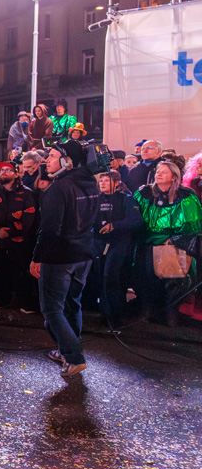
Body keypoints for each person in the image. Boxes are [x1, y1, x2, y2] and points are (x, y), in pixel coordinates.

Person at [30, 140, 100, 378]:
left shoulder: (58, 189)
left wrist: (37, 257)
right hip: (84, 255)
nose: (45, 161)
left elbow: (50, 230)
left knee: (52, 310)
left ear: (67, 161)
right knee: (72, 304)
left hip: (59, 258)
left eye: (51, 156)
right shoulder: (91, 184)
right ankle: (68, 349)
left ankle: (73, 355)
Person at [133, 161, 202, 325]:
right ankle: (149, 312)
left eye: (164, 172)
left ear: (173, 176)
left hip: (175, 245)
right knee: (148, 279)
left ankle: (171, 315)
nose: (159, 174)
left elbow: (193, 222)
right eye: (158, 171)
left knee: (174, 281)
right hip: (149, 243)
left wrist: (173, 238)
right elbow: (136, 218)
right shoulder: (145, 193)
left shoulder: (186, 195)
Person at [0, 162, 38, 311]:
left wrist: (11, 231)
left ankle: (26, 304)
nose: (3, 172)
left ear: (16, 174)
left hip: (20, 243)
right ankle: (3, 301)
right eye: (2, 170)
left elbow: (30, 217)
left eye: (8, 170)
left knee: (21, 273)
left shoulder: (27, 193)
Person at [87, 171, 142, 325]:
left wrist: (114, 226)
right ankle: (104, 312)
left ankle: (116, 314)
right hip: (98, 242)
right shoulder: (96, 199)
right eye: (101, 180)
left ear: (117, 183)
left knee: (111, 276)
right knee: (99, 277)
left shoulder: (127, 199)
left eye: (106, 180)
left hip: (118, 242)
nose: (102, 183)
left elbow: (136, 220)